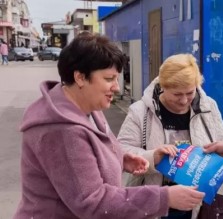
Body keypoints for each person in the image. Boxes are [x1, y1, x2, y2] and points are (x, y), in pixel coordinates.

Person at [14, 32, 204, 219]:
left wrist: (121, 159)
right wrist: (164, 197)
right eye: (108, 79)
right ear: (80, 77)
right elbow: (92, 201)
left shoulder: (87, 107)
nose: (117, 87)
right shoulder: (62, 130)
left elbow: (88, 158)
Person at [118, 53, 223, 219]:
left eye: (189, 92)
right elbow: (120, 151)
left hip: (197, 204)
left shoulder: (208, 107)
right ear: (163, 86)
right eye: (177, 94)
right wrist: (153, 157)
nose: (184, 100)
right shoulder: (141, 112)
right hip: (155, 202)